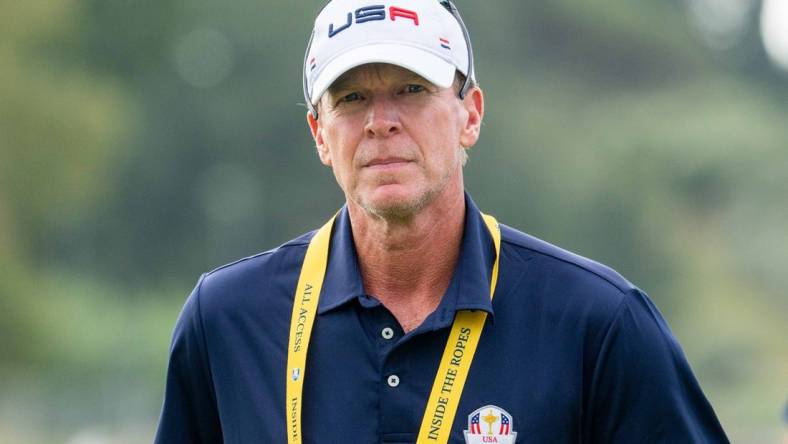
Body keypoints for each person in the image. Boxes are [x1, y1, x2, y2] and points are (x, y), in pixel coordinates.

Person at [154, 1, 730, 443]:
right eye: (351, 98)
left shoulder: (599, 321)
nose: (380, 122)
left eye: (411, 89)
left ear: (470, 115)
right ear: (319, 135)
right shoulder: (226, 320)